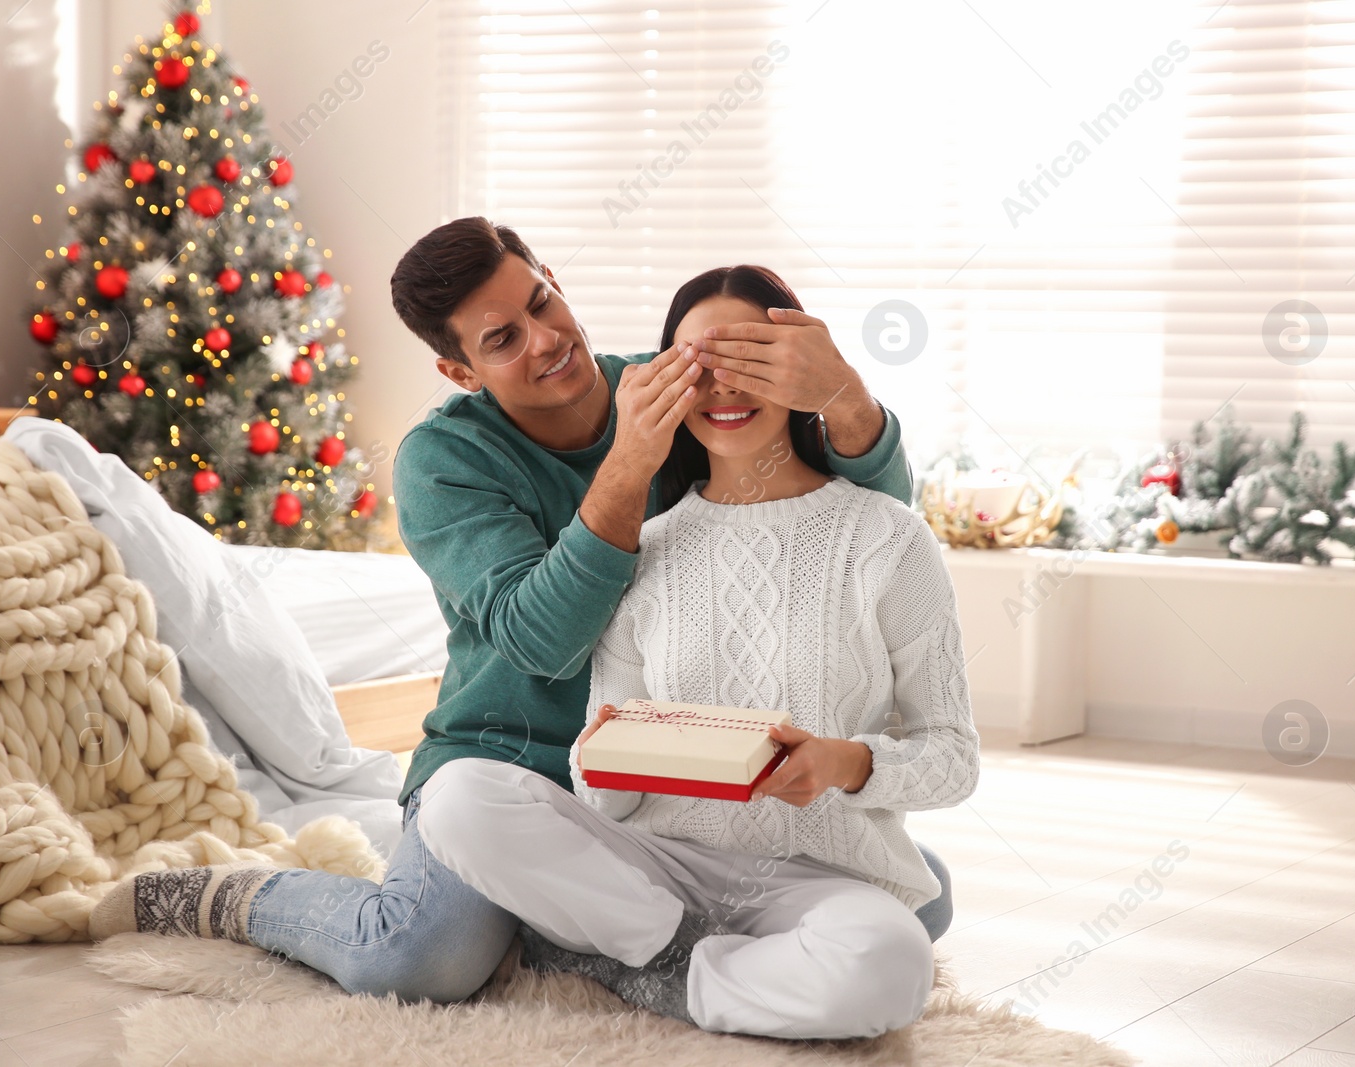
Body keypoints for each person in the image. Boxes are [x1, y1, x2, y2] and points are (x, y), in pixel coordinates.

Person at [88, 219, 952, 1004]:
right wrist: (630, 462)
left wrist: (840, 394)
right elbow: (542, 641)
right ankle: (237, 896)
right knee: (423, 959)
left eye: (543, 302)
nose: (547, 341)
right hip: (509, 768)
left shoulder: (655, 388)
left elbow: (856, 518)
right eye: (504, 339)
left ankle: (580, 933)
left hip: (667, 789)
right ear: (459, 370)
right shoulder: (443, 459)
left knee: (922, 895)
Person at [416, 265, 980, 1039]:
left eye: (751, 357)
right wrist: (606, 755)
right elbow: (596, 789)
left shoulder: (887, 538)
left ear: (800, 367)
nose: (724, 385)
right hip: (660, 865)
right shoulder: (640, 547)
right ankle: (675, 954)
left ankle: (650, 970)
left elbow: (952, 754)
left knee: (892, 961)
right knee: (457, 799)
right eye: (698, 365)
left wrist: (843, 762)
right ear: (664, 384)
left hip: (814, 875)